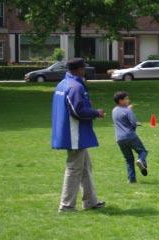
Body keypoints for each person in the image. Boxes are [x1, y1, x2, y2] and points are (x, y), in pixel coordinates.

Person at [52, 58, 105, 212]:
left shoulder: (63, 84)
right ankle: (66, 205)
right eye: (83, 68)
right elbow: (78, 111)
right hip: (74, 134)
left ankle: (91, 201)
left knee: (85, 167)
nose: (85, 70)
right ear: (79, 69)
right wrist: (96, 113)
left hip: (71, 132)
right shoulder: (75, 86)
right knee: (74, 168)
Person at [112, 91, 148, 183]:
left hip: (119, 138)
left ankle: (131, 179)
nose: (128, 100)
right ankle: (141, 160)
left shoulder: (114, 110)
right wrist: (136, 123)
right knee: (143, 151)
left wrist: (127, 109)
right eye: (126, 98)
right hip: (130, 135)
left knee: (128, 159)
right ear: (121, 101)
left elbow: (121, 117)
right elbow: (133, 123)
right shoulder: (128, 111)